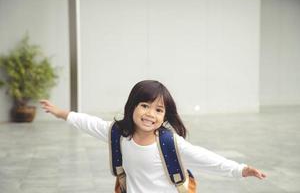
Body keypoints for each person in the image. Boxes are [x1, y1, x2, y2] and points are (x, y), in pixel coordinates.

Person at [40, 80, 266, 193]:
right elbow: (88, 123)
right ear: (132, 107)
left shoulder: (169, 142)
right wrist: (61, 113)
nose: (150, 114)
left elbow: (205, 158)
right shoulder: (118, 133)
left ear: (165, 115)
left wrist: (240, 169)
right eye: (145, 106)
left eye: (158, 110)